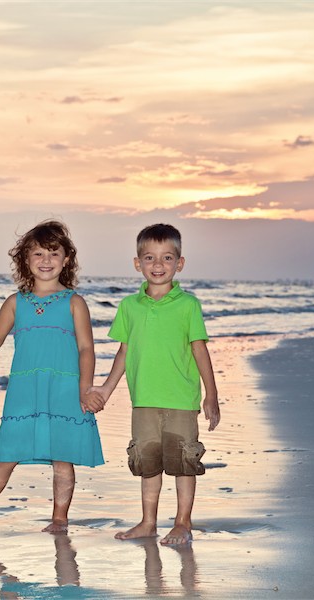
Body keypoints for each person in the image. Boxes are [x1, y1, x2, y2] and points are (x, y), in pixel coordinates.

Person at [0, 220, 105, 536]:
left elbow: (87, 348)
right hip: (24, 390)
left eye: (53, 253)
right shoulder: (15, 303)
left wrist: (85, 387)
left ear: (66, 259)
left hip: (64, 388)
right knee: (6, 454)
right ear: (25, 260)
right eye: (38, 254)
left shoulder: (74, 302)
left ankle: (60, 519)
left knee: (62, 457)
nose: (46, 261)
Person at [91, 223, 220, 545]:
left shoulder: (188, 305)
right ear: (137, 263)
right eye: (149, 258)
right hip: (143, 400)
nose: (158, 265)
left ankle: (182, 522)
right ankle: (148, 522)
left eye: (166, 258)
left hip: (181, 400)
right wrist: (106, 388)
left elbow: (199, 348)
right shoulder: (129, 307)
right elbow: (125, 350)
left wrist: (211, 395)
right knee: (147, 463)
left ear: (180, 263)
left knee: (183, 463)